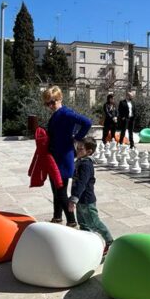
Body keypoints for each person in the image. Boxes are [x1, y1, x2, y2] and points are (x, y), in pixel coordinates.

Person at [44, 86, 91, 227]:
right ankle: (57, 218)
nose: (50, 106)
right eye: (47, 103)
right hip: (55, 157)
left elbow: (87, 122)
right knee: (56, 191)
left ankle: (71, 221)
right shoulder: (57, 114)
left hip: (63, 158)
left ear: (60, 99)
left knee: (61, 192)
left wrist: (77, 138)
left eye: (52, 102)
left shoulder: (65, 113)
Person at [68, 137, 114, 255]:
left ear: (89, 152)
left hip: (87, 201)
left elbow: (82, 183)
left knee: (94, 223)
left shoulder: (86, 165)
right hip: (80, 200)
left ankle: (110, 242)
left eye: (80, 149)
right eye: (77, 148)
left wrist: (73, 199)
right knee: (83, 224)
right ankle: (87, 245)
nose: (77, 150)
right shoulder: (80, 161)